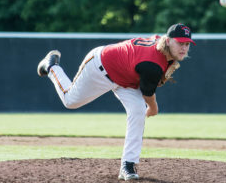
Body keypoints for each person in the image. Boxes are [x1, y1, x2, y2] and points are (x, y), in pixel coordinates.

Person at [37, 23, 196, 181]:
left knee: (137, 111)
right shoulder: (152, 64)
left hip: (126, 79)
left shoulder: (162, 49)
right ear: (167, 41)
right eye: (180, 42)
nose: (184, 47)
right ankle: (52, 66)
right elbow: (148, 95)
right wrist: (153, 108)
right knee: (70, 100)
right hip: (100, 67)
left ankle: (128, 165)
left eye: (187, 44)